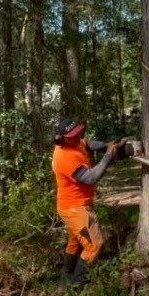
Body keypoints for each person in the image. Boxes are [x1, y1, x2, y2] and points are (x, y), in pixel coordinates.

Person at [52, 117, 120, 287]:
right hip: (75, 209)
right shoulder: (64, 157)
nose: (78, 137)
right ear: (61, 138)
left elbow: (88, 143)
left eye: (78, 133)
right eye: (73, 135)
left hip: (71, 206)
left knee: (75, 241)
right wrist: (107, 156)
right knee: (94, 246)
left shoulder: (74, 142)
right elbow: (91, 178)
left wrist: (105, 145)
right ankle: (77, 286)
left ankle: (65, 279)